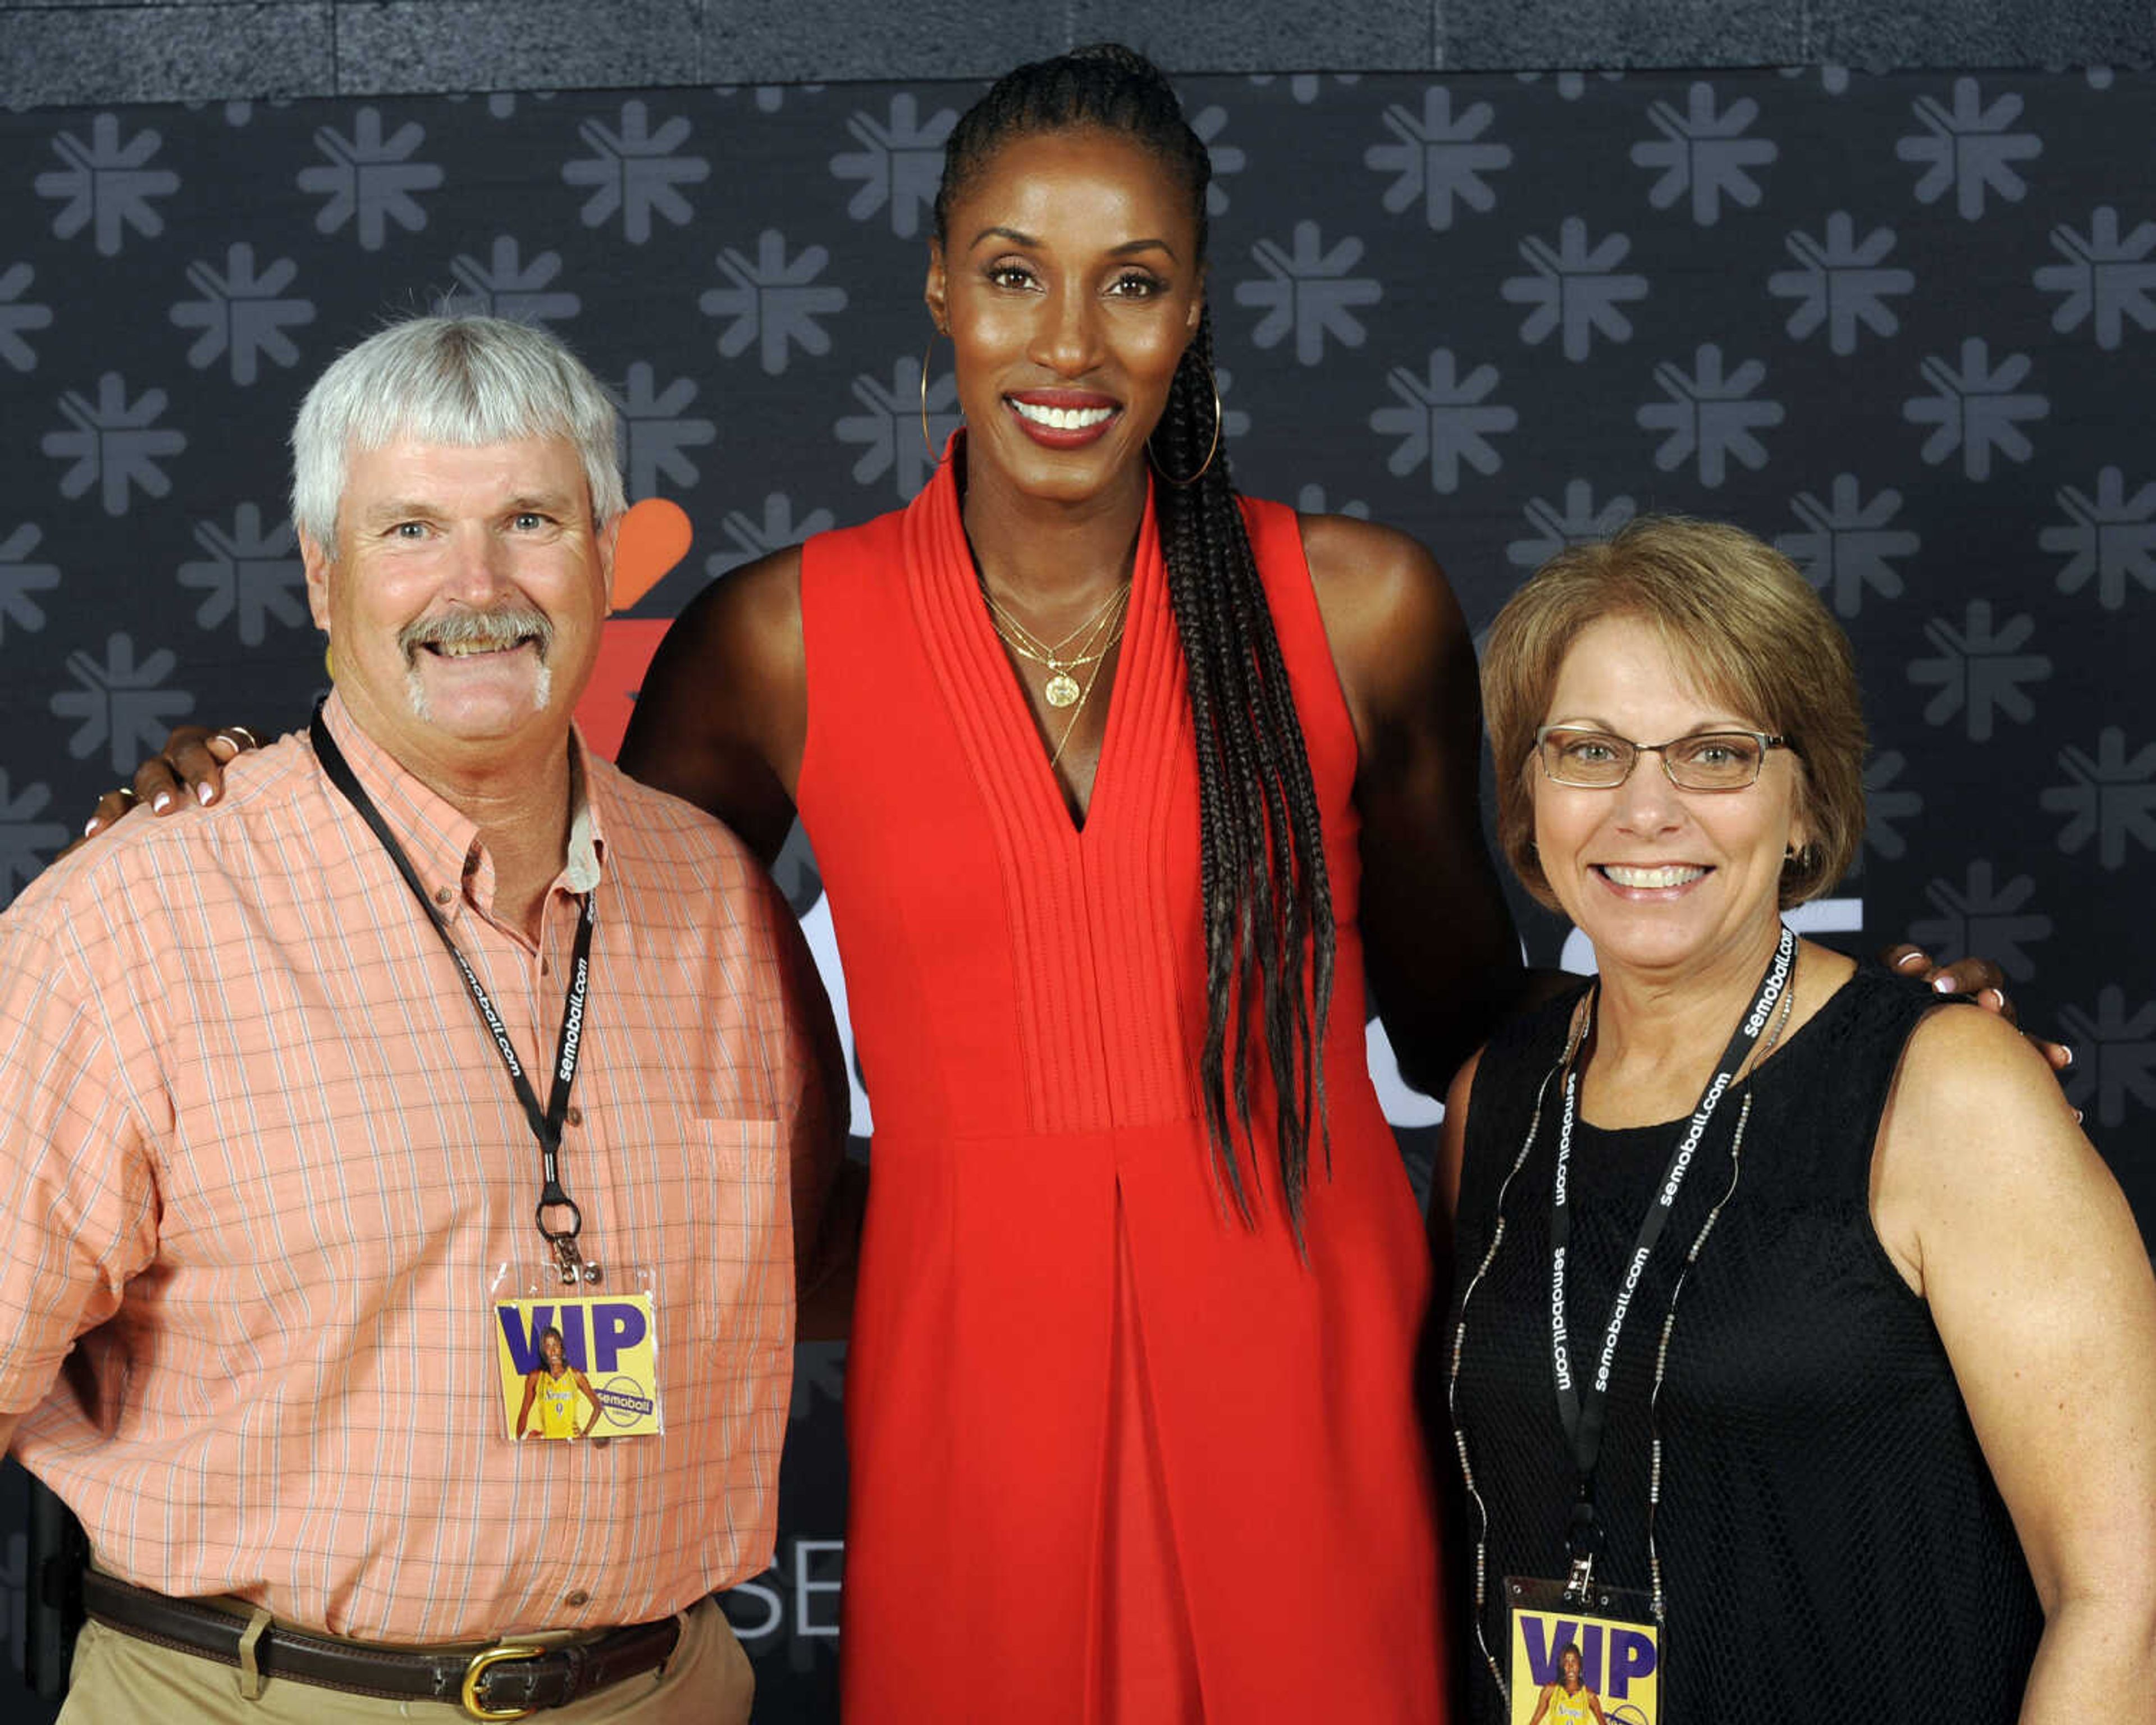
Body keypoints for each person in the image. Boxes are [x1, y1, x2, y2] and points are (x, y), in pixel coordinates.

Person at [0, 314, 843, 1722]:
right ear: (323, 575)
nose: (477, 584)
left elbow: (806, 1260)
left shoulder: (722, 905)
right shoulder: (124, 927)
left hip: (662, 1689)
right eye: (409, 529)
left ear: (606, 553)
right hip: (256, 1696)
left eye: (528, 519)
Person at [1437, 517, 2156, 1722]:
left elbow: (2126, 1600)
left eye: (1715, 755)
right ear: (1529, 796)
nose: (1646, 810)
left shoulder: (1949, 1093)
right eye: (1590, 752)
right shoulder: (1495, 1102)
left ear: (1806, 802)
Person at [516, 1325, 601, 1440]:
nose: (553, 1351)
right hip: (547, 1443)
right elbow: (524, 1412)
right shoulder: (536, 1377)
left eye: (555, 1345)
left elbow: (597, 1407)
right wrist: (521, 1437)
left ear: (561, 1347)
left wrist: (585, 1434)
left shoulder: (576, 1376)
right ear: (543, 1351)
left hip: (572, 1441)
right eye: (548, 1346)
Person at [1525, 1645, 1606, 1725]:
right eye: (1566, 1662)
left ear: (1579, 1665)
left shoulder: (1589, 1696)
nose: (1570, 1666)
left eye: (1574, 1661)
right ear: (1562, 1666)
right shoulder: (1550, 1691)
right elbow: (1534, 1722)